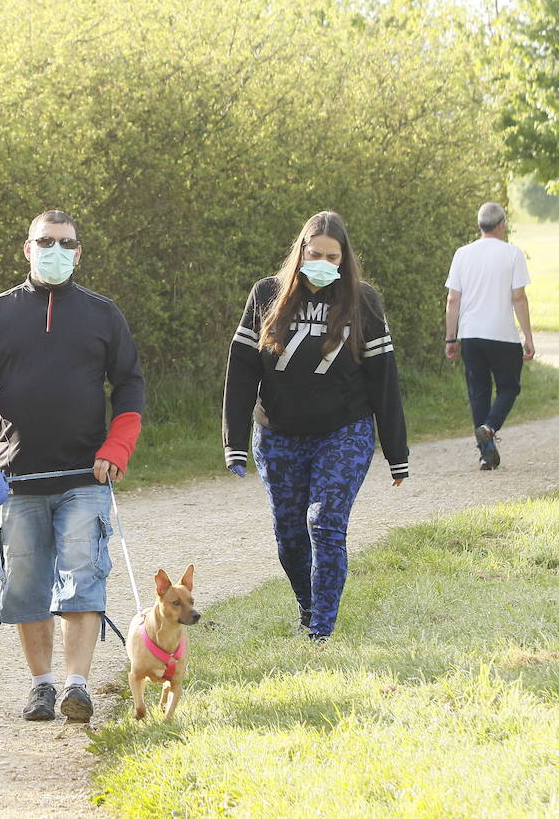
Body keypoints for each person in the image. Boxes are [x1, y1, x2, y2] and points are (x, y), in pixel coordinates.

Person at [0, 209, 144, 722]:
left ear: (79, 252)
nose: (55, 250)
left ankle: (77, 687)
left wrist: (117, 448)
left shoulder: (104, 315)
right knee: (24, 583)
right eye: (45, 241)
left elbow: (130, 386)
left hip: (88, 476)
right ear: (27, 247)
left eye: (65, 243)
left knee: (83, 578)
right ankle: (41, 686)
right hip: (15, 479)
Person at [222, 211, 407, 643]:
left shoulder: (364, 302)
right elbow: (243, 370)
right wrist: (233, 441)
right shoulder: (266, 294)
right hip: (278, 434)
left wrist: (397, 454)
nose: (322, 262)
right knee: (289, 534)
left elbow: (385, 380)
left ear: (344, 259)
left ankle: (321, 632)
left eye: (332, 256)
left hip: (344, 431)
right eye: (315, 253)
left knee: (323, 522)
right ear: (301, 252)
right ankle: (308, 608)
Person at [443, 201, 535, 470]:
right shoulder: (513, 254)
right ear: (502, 224)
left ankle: (486, 455)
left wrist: (451, 338)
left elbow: (453, 300)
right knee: (509, 387)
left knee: (478, 392)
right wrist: (528, 336)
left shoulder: (462, 254)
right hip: (503, 335)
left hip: (471, 334)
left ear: (479, 225)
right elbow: (518, 297)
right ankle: (490, 427)